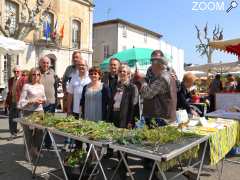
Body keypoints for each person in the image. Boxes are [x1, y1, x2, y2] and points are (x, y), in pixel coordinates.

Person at [135, 50, 177, 127]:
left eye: (153, 61)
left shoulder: (163, 77)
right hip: (163, 116)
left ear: (158, 64)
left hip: (161, 118)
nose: (151, 65)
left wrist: (143, 82)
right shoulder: (161, 74)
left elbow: (147, 94)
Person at [18, 68, 46, 158]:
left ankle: (35, 149)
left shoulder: (41, 86)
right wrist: (32, 101)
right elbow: (21, 102)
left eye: (38, 75)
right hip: (28, 112)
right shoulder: (27, 86)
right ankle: (28, 151)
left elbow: (44, 97)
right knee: (28, 133)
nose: (36, 76)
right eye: (34, 74)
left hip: (40, 112)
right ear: (30, 75)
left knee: (39, 132)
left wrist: (43, 101)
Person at [109, 64, 138, 128]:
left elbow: (134, 106)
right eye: (120, 71)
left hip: (125, 117)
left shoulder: (132, 87)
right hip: (114, 115)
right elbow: (111, 102)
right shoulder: (115, 86)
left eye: (124, 71)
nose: (122, 73)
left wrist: (131, 121)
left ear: (128, 73)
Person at [39, 56, 58, 148]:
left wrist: (56, 100)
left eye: (47, 63)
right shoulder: (36, 72)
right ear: (40, 63)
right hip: (39, 103)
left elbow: (55, 87)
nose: (45, 64)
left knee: (49, 123)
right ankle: (38, 143)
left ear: (50, 64)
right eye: (44, 62)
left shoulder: (53, 72)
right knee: (38, 124)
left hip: (51, 102)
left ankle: (48, 143)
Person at [5, 66, 27, 139]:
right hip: (12, 102)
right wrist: (7, 101)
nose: (16, 73)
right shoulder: (10, 80)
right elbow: (9, 92)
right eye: (14, 71)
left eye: (18, 71)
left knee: (21, 118)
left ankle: (25, 132)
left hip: (21, 102)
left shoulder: (24, 79)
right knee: (11, 119)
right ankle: (13, 133)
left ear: (20, 72)